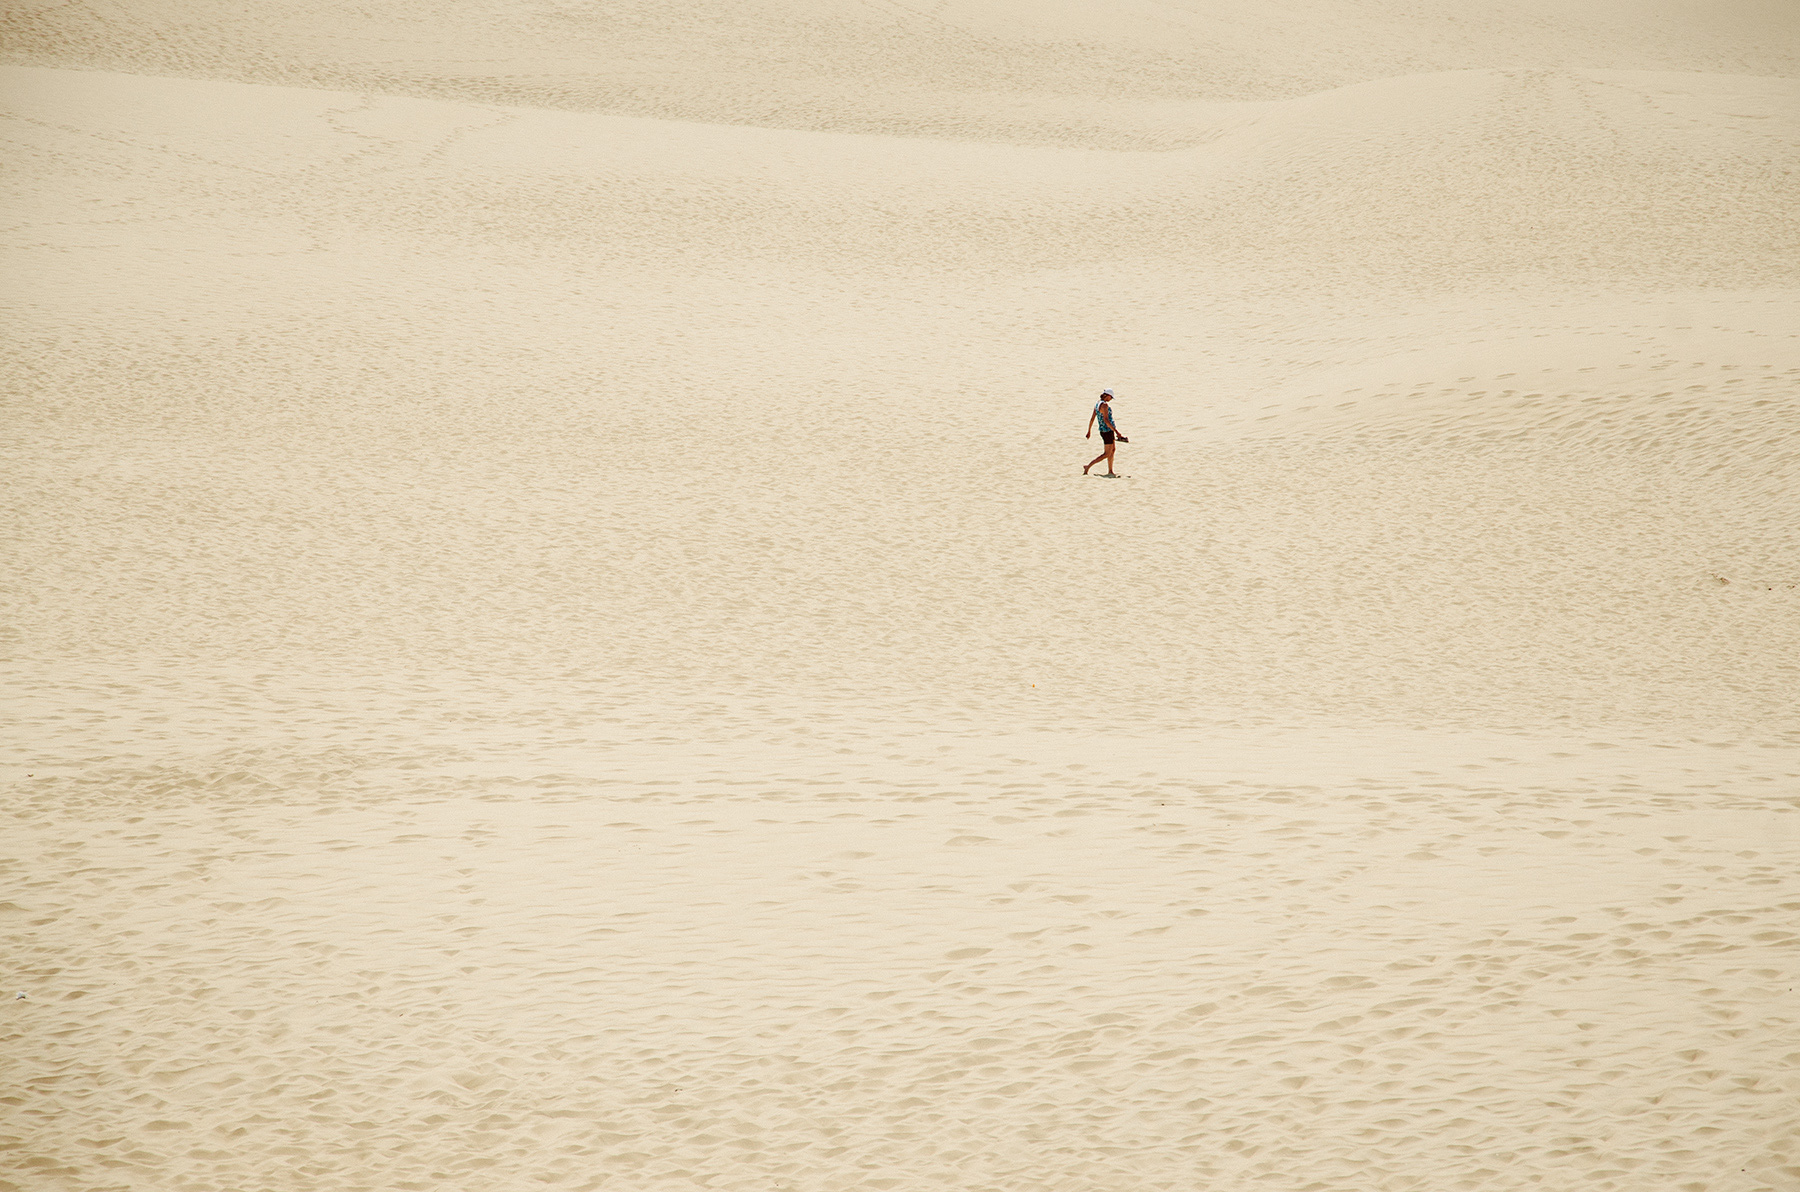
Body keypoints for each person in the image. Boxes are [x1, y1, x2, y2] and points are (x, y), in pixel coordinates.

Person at [1084, 389, 1127, 475]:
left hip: (1106, 430)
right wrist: (1117, 432)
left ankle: (1110, 470)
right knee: (1107, 453)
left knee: (1113, 450)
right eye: (1111, 397)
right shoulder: (1104, 405)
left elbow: (1092, 418)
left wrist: (1089, 431)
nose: (1110, 399)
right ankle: (1088, 466)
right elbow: (1106, 420)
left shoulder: (1097, 403)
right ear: (1107, 395)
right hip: (1107, 431)